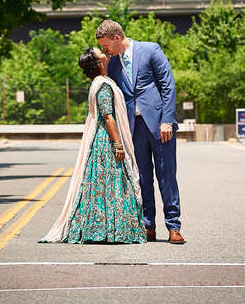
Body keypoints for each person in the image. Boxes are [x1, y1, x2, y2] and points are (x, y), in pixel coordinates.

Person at [39, 47, 146, 244]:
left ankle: (103, 227)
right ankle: (111, 229)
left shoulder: (99, 83)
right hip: (105, 141)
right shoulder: (103, 85)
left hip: (101, 139)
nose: (105, 54)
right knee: (113, 184)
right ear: (98, 63)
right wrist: (118, 144)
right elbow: (107, 116)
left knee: (101, 185)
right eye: (101, 54)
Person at [95, 19, 185, 245]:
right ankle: (148, 226)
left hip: (159, 125)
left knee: (166, 176)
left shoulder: (150, 49)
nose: (104, 49)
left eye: (105, 44)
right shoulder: (113, 65)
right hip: (133, 128)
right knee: (143, 177)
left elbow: (168, 84)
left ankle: (173, 226)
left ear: (117, 37)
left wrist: (167, 120)